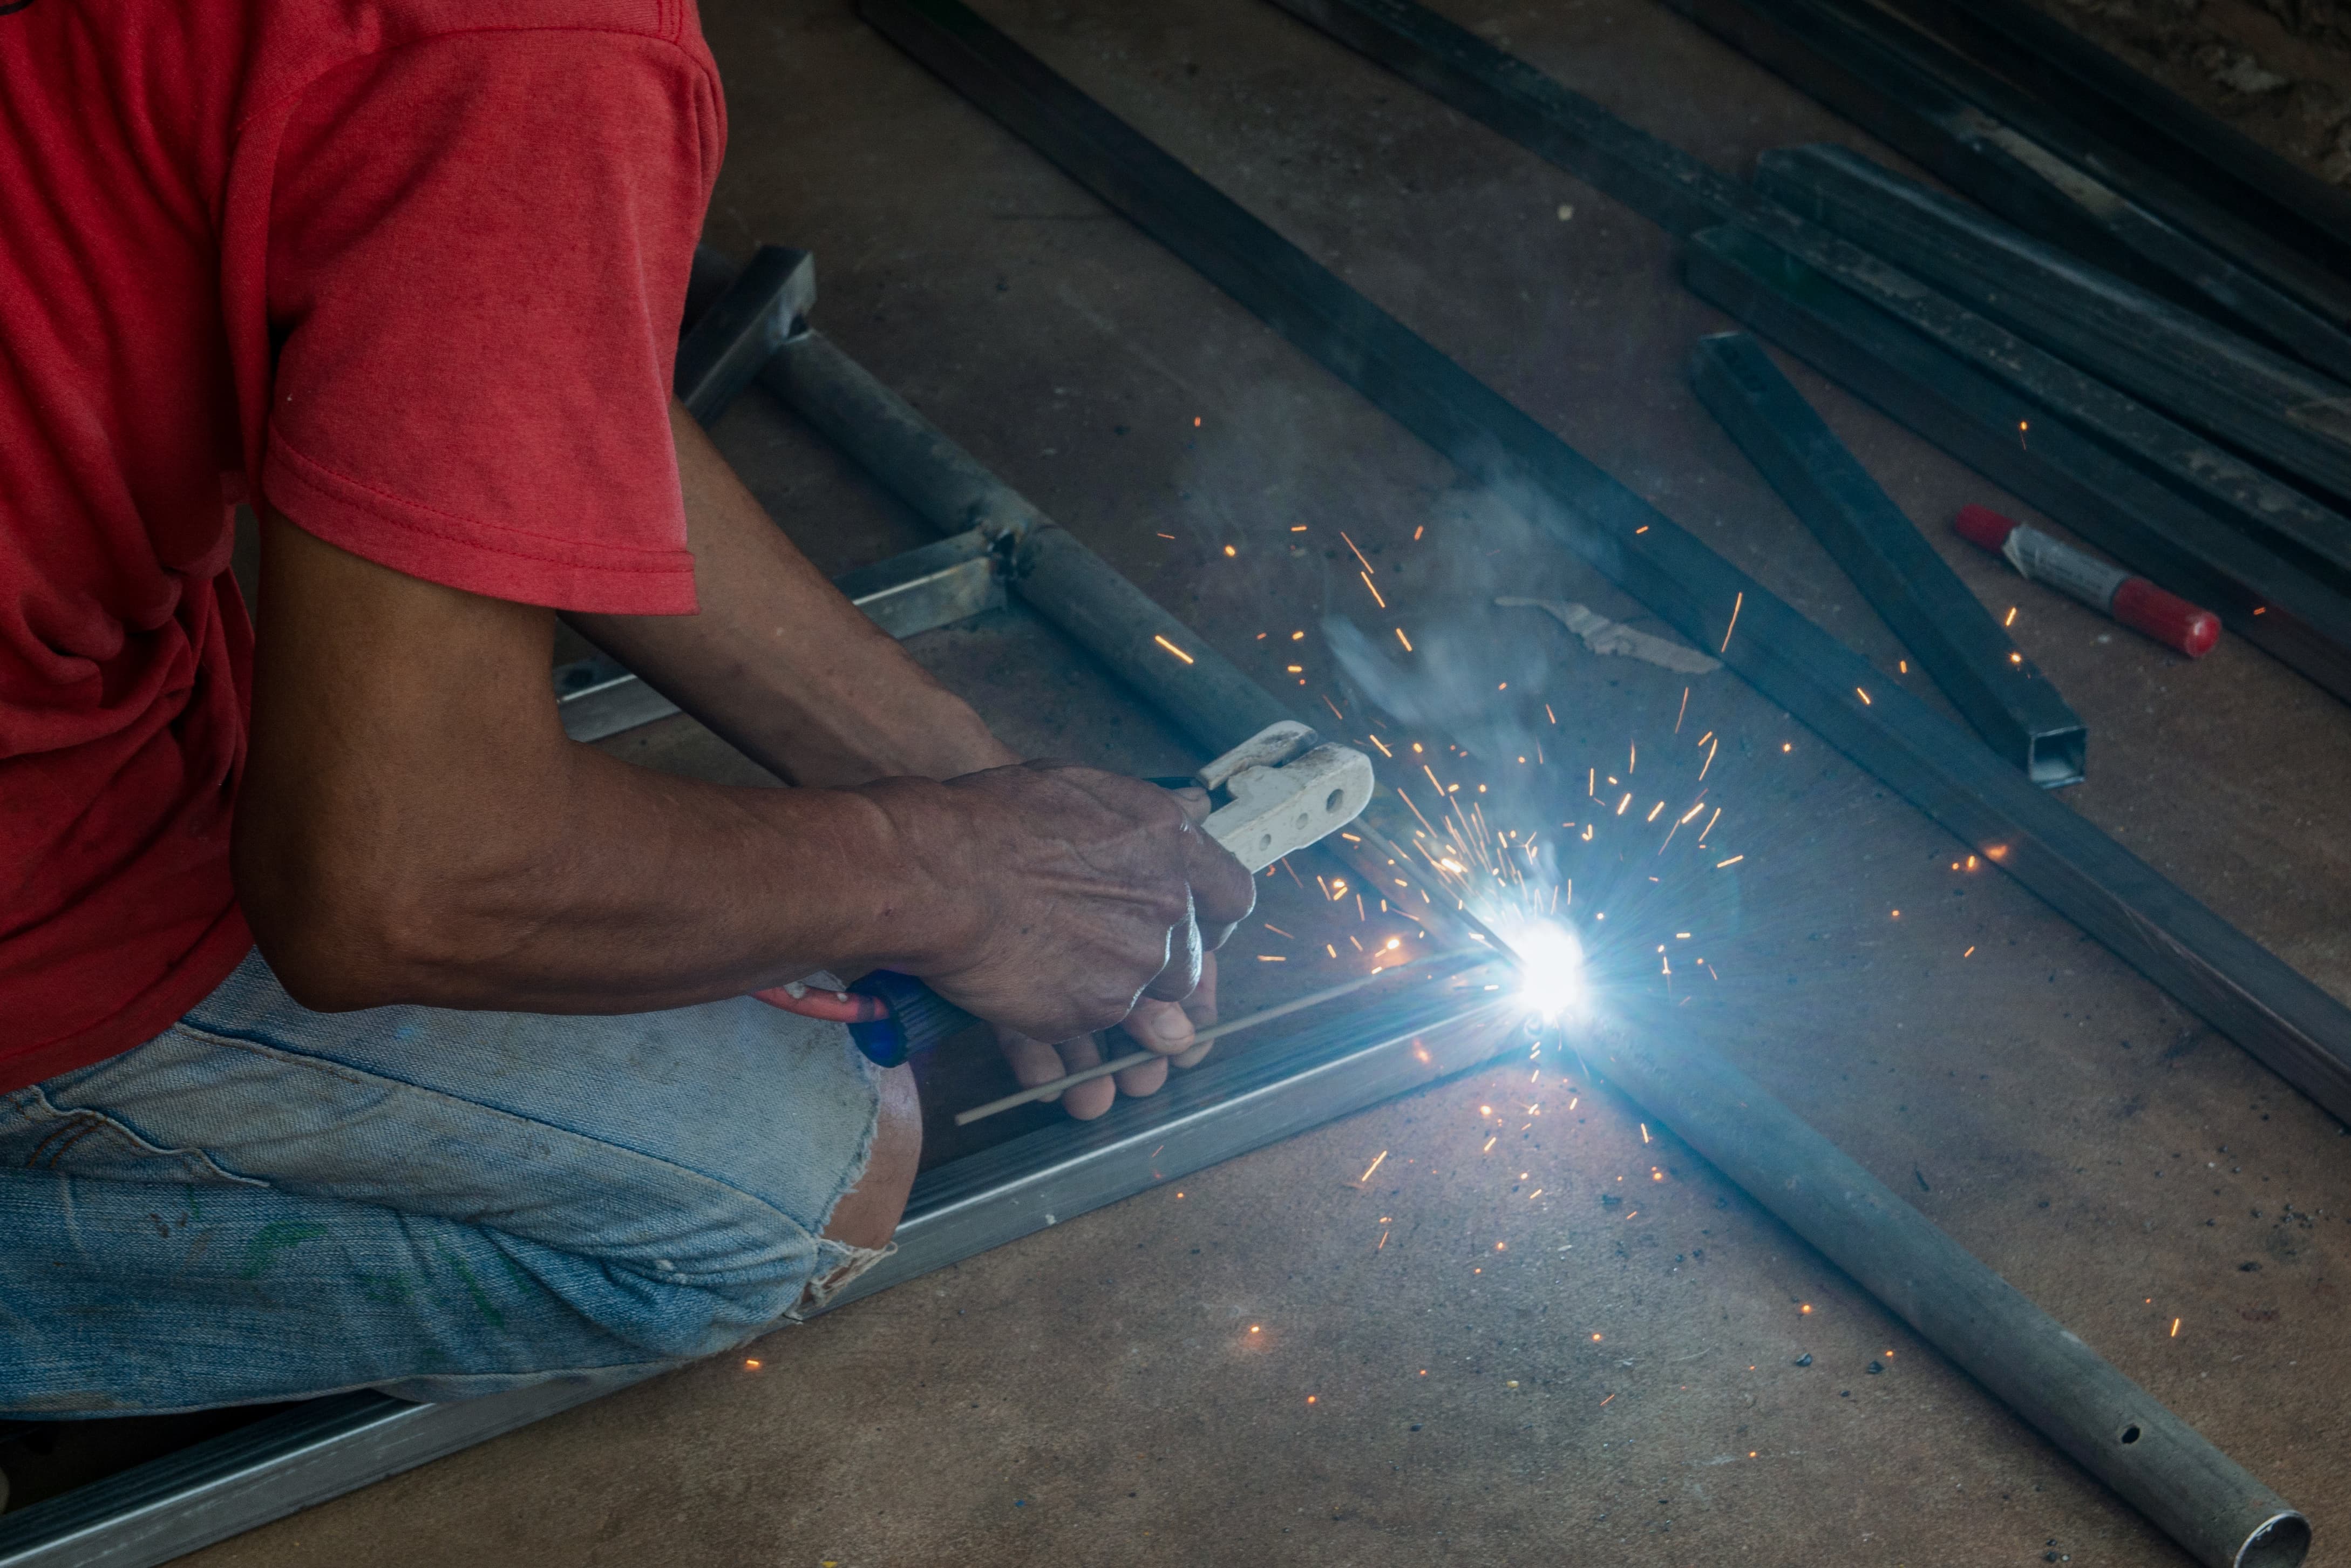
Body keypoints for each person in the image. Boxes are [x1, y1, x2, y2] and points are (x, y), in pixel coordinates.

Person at [0, 0, 1253, 1415]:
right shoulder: (540, 43)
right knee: (803, 1179)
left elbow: (501, 356)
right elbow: (401, 880)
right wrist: (942, 877)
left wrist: (973, 795)